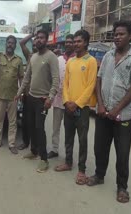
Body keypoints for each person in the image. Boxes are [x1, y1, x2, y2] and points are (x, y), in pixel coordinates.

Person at [87, 20, 131, 203]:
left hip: (124, 116)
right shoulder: (108, 55)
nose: (117, 37)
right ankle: (99, 175)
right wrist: (102, 106)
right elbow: (99, 80)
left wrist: (116, 110)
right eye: (115, 34)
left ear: (130, 36)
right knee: (100, 148)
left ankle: (122, 187)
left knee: (122, 153)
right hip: (104, 113)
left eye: (121, 34)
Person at [54, 30, 97, 185]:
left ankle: (82, 170)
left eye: (79, 41)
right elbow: (65, 83)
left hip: (82, 108)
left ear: (86, 42)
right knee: (68, 136)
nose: (76, 44)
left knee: (82, 139)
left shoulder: (91, 61)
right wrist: (66, 101)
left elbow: (91, 86)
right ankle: (68, 162)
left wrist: (76, 103)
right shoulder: (71, 61)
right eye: (75, 41)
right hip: (68, 106)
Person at [15, 30, 59, 171]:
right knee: (30, 125)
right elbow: (27, 77)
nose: (38, 40)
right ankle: (34, 151)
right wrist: (19, 92)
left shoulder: (51, 57)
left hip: (42, 99)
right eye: (37, 38)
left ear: (46, 40)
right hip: (30, 98)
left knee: (40, 128)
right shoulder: (33, 57)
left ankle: (44, 159)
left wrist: (50, 98)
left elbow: (56, 79)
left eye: (41, 38)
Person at [0, 35, 24, 155]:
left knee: (13, 121)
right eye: (8, 42)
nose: (10, 45)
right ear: (6, 44)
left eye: (12, 43)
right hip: (0, 95)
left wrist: (21, 93)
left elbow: (21, 77)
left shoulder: (19, 60)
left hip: (13, 96)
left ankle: (12, 144)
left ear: (15, 45)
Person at [48, 34, 75, 159]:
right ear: (64, 44)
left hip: (71, 101)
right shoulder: (58, 59)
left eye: (71, 42)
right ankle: (54, 149)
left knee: (69, 130)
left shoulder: (77, 60)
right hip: (58, 99)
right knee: (56, 127)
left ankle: (68, 154)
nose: (69, 44)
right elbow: (53, 77)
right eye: (67, 42)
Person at [17, 31, 38, 150]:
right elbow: (22, 42)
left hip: (39, 95)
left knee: (37, 123)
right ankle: (25, 142)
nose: (35, 47)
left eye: (36, 45)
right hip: (27, 94)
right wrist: (33, 34)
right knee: (25, 120)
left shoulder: (47, 57)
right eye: (33, 45)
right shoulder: (29, 56)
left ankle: (35, 145)